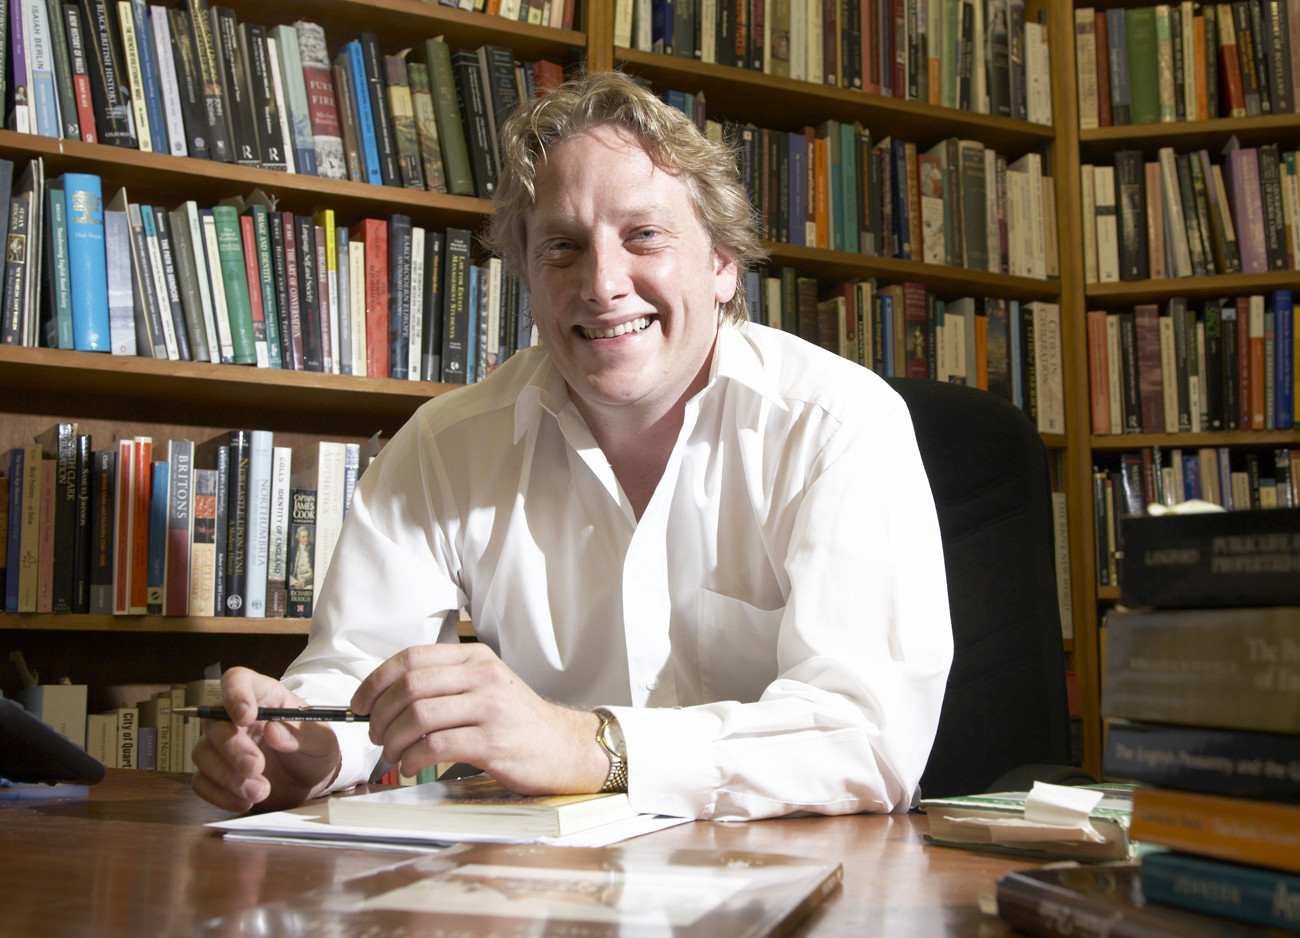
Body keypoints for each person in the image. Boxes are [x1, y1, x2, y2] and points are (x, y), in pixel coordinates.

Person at [192, 70, 953, 821]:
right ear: (527, 277)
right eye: (562, 247)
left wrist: (591, 748)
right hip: (544, 892)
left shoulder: (838, 424)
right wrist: (310, 751)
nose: (603, 283)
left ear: (722, 264)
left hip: (800, 887)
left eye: (644, 235)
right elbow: (360, 670)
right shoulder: (444, 446)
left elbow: (867, 736)